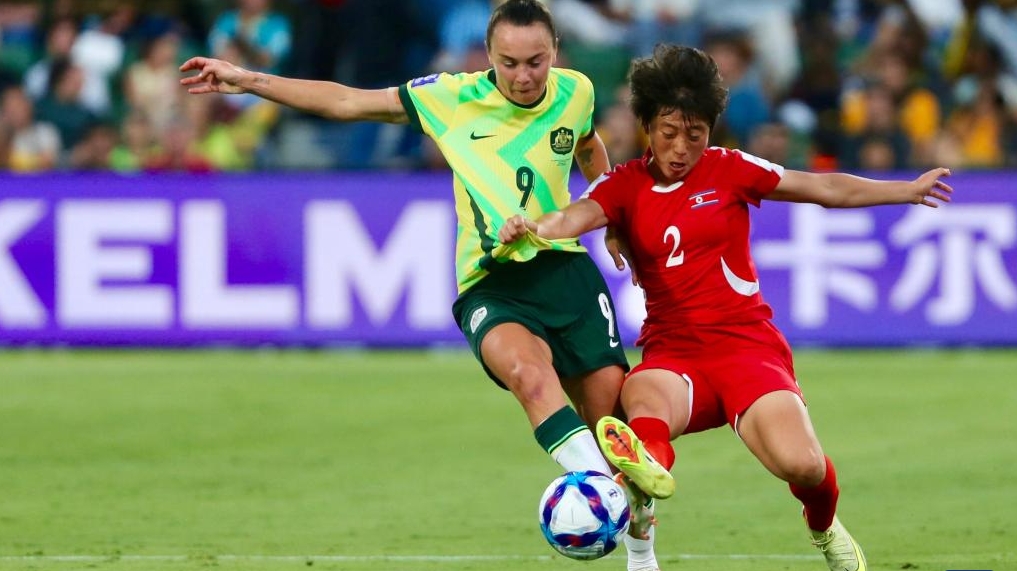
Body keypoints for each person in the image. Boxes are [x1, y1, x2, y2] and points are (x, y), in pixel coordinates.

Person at [180, 1, 667, 568]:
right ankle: (597, 489)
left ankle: (640, 552)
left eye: (536, 62)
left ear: (555, 52)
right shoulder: (449, 97)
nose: (523, 76)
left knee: (611, 428)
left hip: (566, 275)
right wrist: (249, 80)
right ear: (488, 55)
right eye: (508, 63)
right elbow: (346, 101)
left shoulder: (576, 91)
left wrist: (610, 214)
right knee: (528, 376)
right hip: (492, 282)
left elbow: (586, 146)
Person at [498, 44, 954, 571]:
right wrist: (533, 226)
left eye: (695, 134)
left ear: (711, 131)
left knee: (803, 466)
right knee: (639, 395)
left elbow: (822, 187)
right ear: (647, 126)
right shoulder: (624, 186)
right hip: (674, 353)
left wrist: (905, 190)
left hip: (746, 349)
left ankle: (824, 527)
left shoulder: (730, 169)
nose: (681, 148)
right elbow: (571, 218)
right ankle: (643, 480)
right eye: (669, 132)